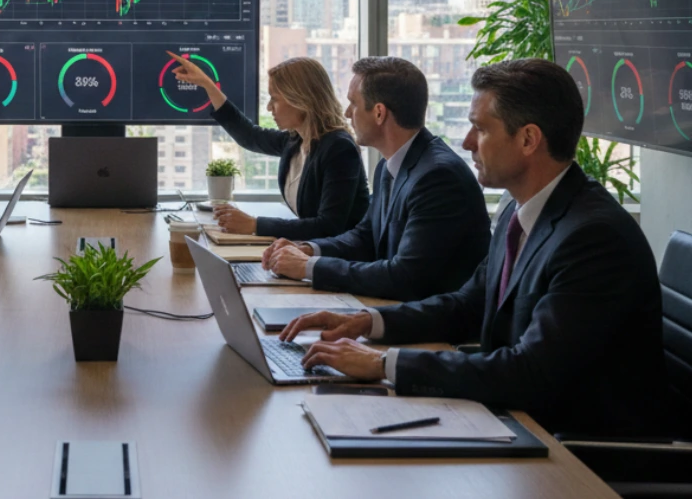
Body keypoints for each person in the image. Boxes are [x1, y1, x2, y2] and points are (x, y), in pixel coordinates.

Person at [281, 59, 667, 436]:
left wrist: (384, 363)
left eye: (479, 129)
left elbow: (531, 373)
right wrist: (369, 323)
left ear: (528, 139)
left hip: (576, 450)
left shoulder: (593, 237)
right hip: (515, 416)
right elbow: (468, 303)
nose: (466, 143)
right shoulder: (520, 206)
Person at [262, 57, 489, 301]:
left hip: (432, 330)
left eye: (353, 104)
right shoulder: (388, 165)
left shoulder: (438, 177)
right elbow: (365, 236)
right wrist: (308, 250)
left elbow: (405, 276)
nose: (347, 114)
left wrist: (309, 267)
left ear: (379, 113)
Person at [169, 52, 369, 240]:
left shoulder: (339, 149)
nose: (269, 107)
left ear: (300, 100)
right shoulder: (295, 141)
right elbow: (249, 136)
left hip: (338, 262)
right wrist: (207, 85)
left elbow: (328, 227)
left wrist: (254, 225)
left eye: (275, 98)